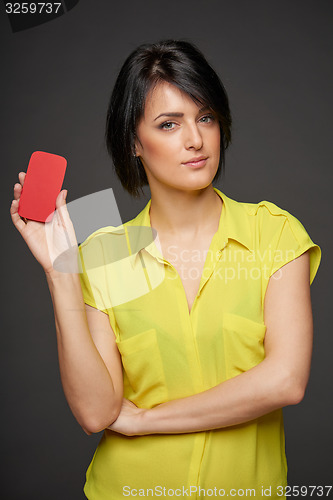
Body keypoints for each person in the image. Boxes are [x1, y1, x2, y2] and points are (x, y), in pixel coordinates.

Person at [10, 39, 321, 499]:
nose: (194, 139)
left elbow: (285, 381)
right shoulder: (105, 252)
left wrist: (146, 420)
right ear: (135, 142)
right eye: (168, 124)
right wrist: (61, 273)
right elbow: (96, 412)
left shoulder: (273, 234)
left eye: (205, 117)